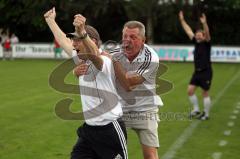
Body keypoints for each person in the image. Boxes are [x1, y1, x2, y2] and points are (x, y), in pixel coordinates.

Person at [44, 7, 127, 159]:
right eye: (73, 39)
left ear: (92, 41)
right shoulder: (79, 58)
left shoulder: (106, 61)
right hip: (89, 131)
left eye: (77, 40)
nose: (73, 43)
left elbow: (94, 54)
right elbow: (63, 41)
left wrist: (83, 33)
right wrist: (50, 21)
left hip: (110, 130)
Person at [75, 20, 163, 159]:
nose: (127, 41)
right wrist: (76, 70)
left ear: (143, 40)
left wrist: (113, 62)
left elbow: (128, 84)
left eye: (133, 37)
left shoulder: (151, 58)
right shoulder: (114, 52)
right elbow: (90, 56)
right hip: (120, 109)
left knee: (150, 155)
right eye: (125, 36)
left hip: (145, 109)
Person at [179, 11, 212, 120]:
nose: (197, 36)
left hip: (206, 71)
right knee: (190, 91)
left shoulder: (206, 43)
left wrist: (204, 23)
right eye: (197, 35)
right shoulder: (196, 42)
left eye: (199, 35)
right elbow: (188, 30)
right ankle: (196, 109)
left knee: (205, 93)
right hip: (197, 72)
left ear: (203, 36)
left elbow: (207, 33)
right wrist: (182, 20)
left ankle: (206, 114)